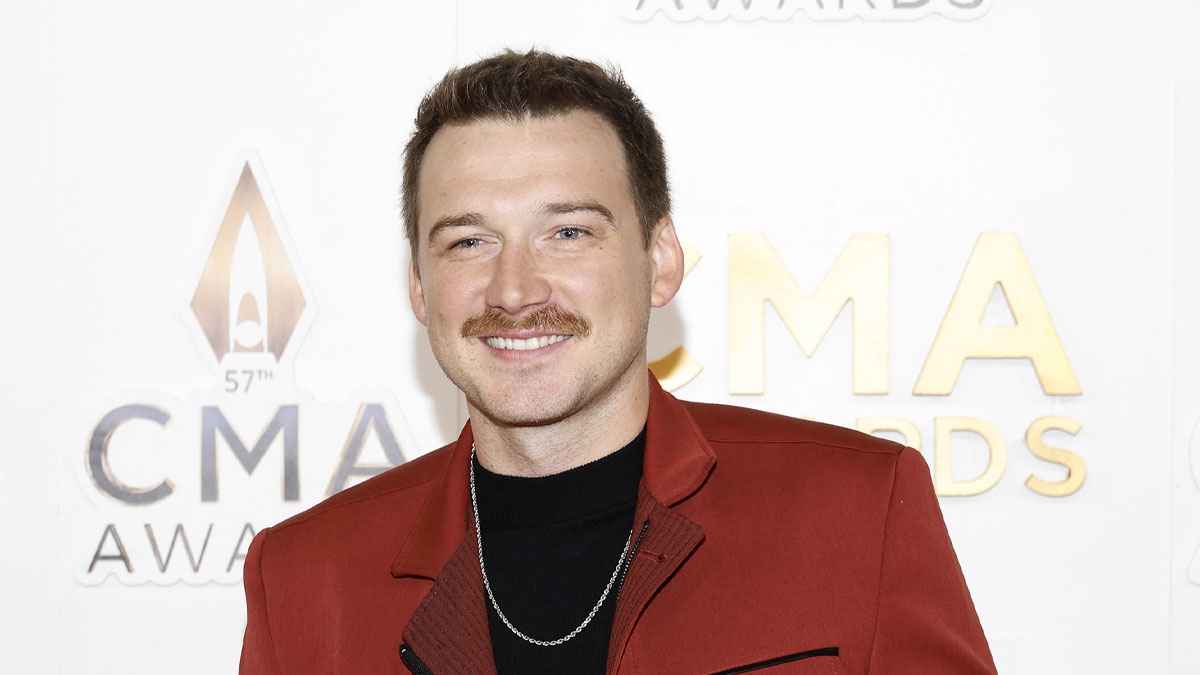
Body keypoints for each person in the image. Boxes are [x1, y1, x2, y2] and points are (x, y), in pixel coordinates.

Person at [239, 50, 997, 675]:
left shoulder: (858, 514)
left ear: (659, 260)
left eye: (568, 233)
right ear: (418, 285)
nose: (514, 289)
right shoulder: (306, 578)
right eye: (469, 241)